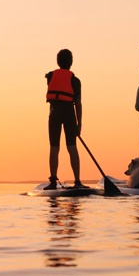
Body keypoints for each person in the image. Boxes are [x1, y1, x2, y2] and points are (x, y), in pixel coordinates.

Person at [44, 49, 85, 190]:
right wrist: (79, 124)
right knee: (72, 147)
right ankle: (77, 181)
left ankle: (53, 181)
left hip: (54, 114)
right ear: (71, 62)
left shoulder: (50, 76)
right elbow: (78, 104)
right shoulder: (75, 81)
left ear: (58, 61)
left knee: (54, 148)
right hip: (69, 114)